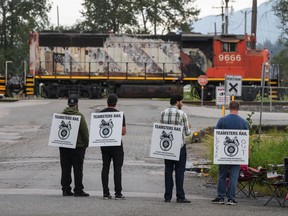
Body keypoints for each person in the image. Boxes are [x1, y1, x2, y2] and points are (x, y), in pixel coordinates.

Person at [212, 100, 248, 205]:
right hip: (237, 154)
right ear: (238, 108)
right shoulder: (243, 122)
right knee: (233, 176)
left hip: (223, 153)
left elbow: (217, 135)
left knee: (222, 175)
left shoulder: (222, 120)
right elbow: (245, 138)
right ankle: (231, 198)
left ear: (229, 107)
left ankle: (221, 197)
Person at [160, 94, 192, 203]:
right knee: (179, 172)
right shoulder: (182, 114)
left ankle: (167, 196)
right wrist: (189, 127)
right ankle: (180, 196)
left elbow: (161, 129)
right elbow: (187, 133)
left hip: (167, 147)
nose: (182, 104)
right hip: (179, 146)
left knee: (168, 171)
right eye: (181, 102)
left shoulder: (163, 113)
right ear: (177, 102)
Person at [59, 97, 89, 197]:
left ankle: (65, 189)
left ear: (68, 104)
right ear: (76, 104)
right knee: (78, 168)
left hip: (64, 145)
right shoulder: (79, 115)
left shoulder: (61, 115)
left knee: (65, 168)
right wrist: (86, 143)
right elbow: (84, 132)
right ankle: (78, 190)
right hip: (77, 146)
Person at [100, 94, 126, 200]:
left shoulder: (100, 114)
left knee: (105, 168)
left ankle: (105, 193)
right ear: (116, 103)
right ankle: (118, 193)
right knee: (117, 170)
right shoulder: (119, 114)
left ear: (107, 102)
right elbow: (123, 132)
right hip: (116, 145)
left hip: (105, 145)